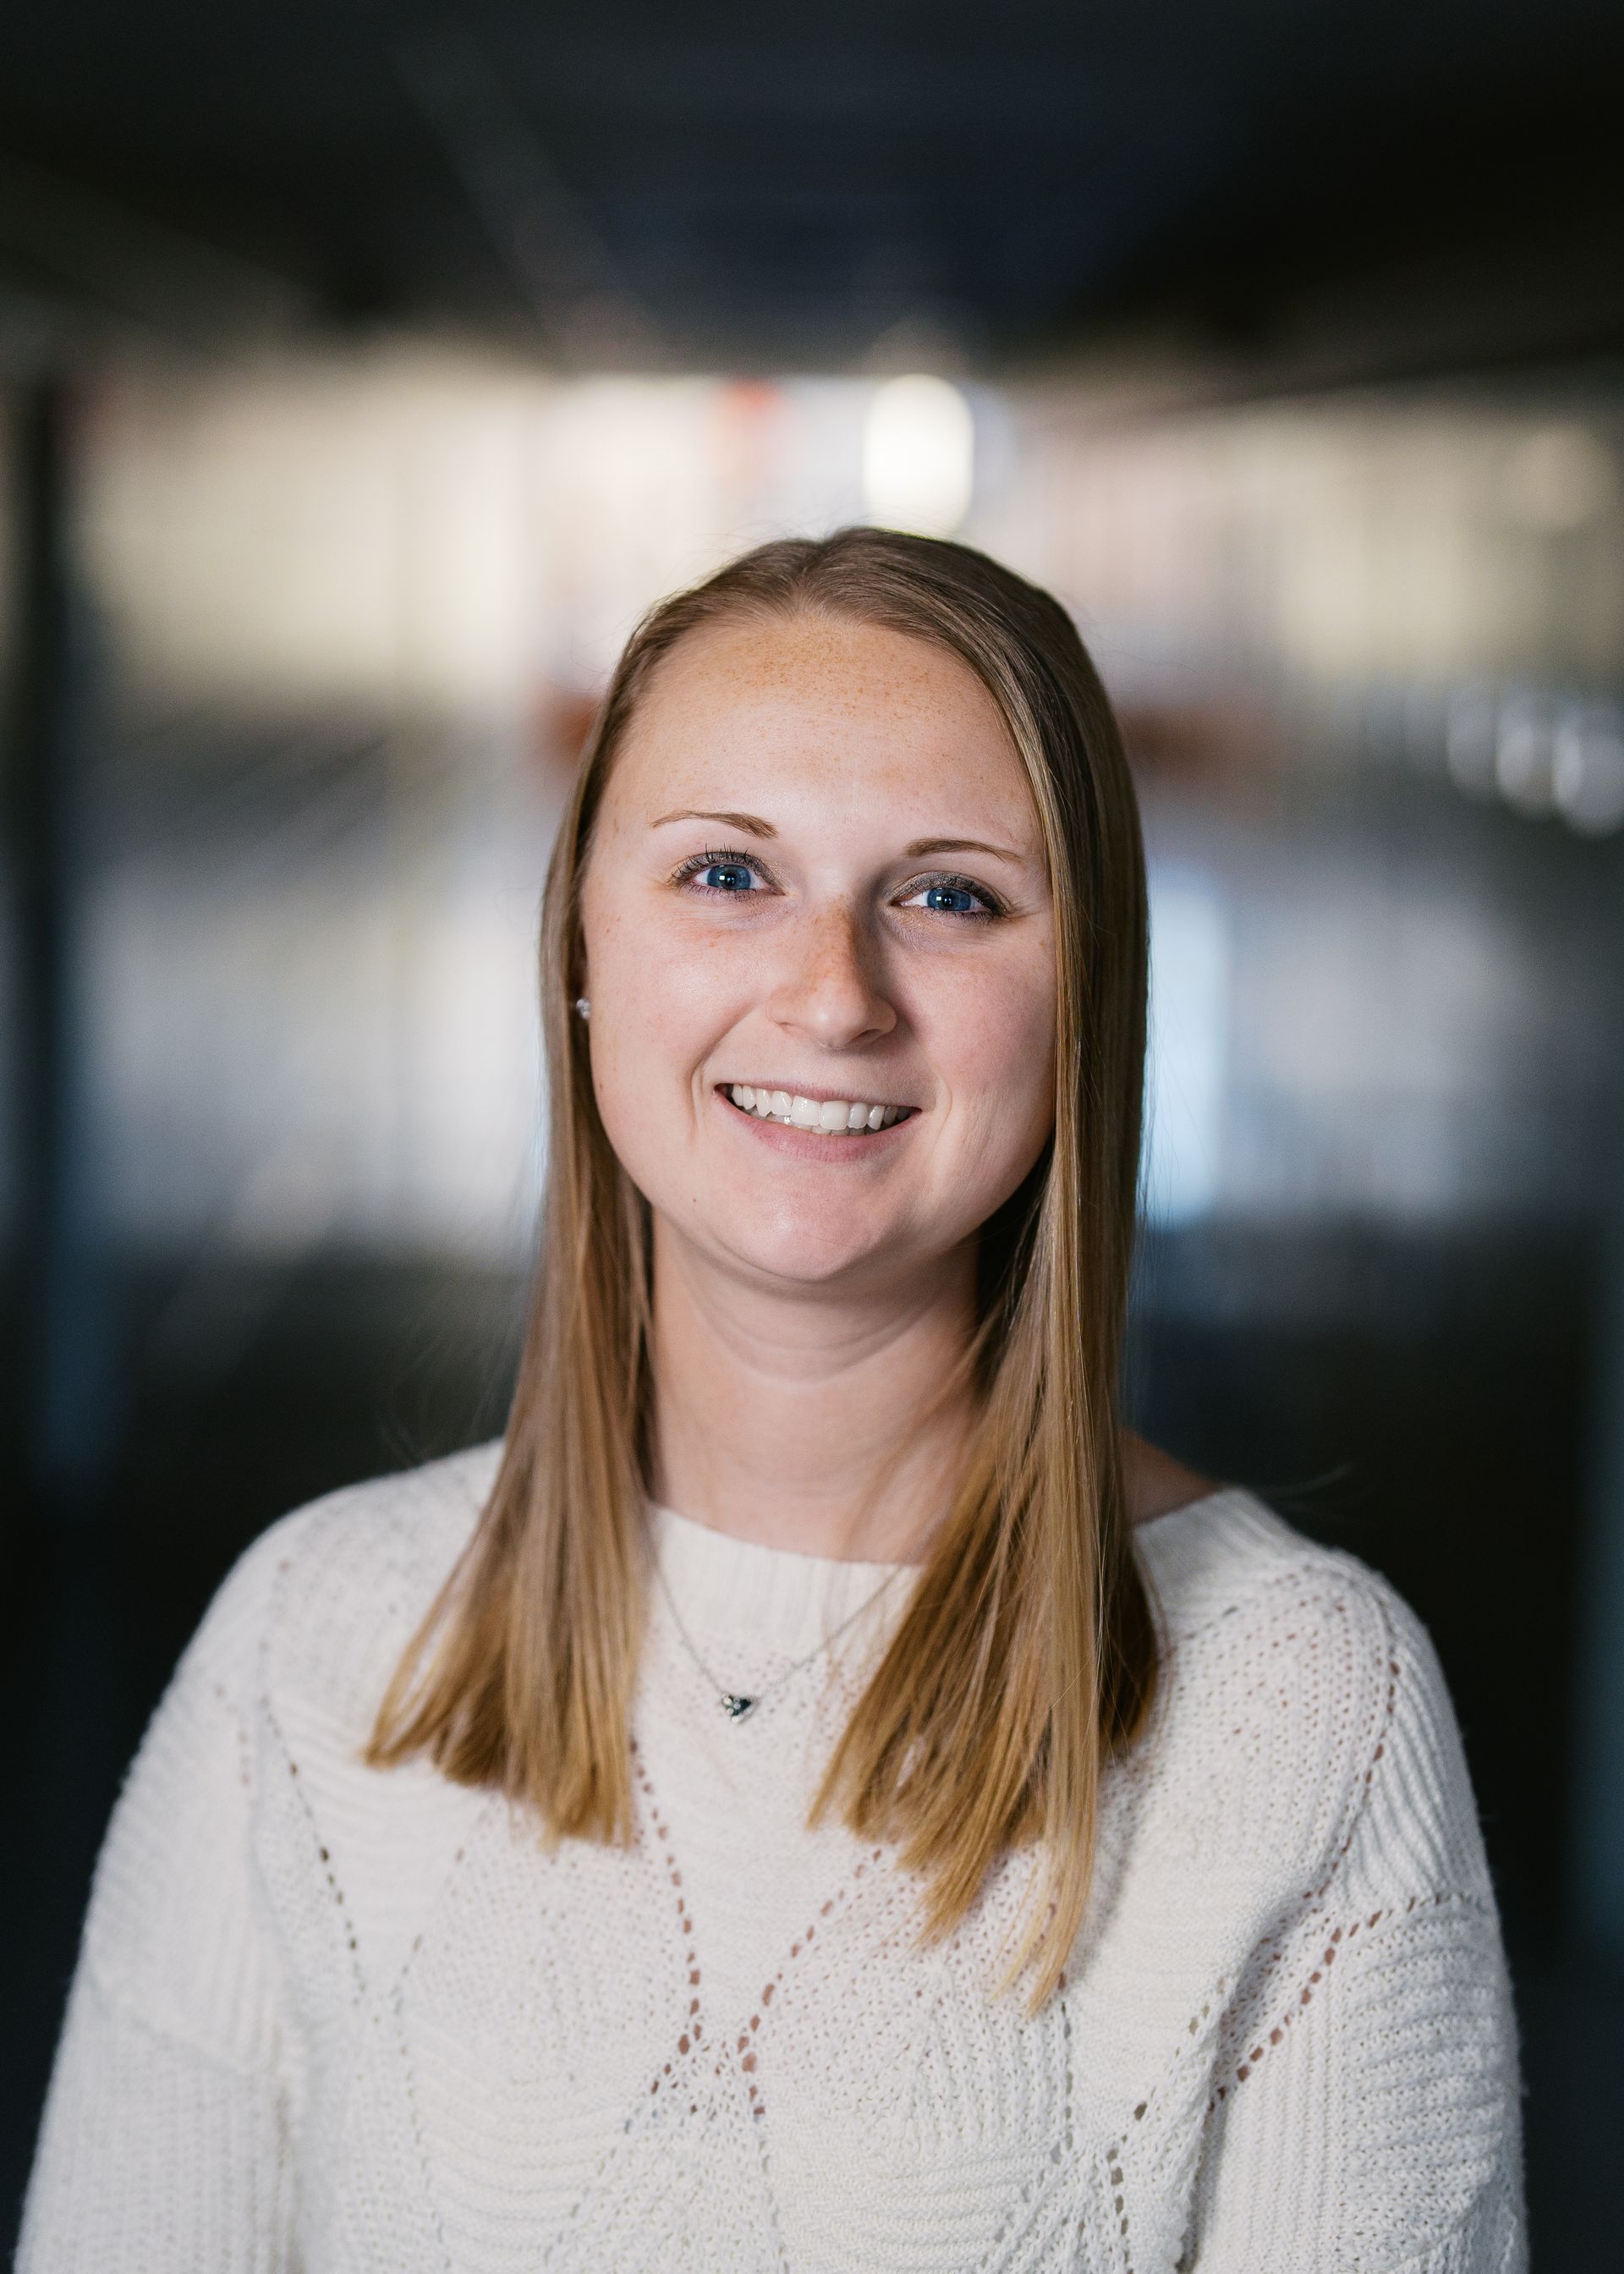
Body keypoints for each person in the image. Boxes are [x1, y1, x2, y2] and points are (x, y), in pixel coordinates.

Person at [20, 529, 1527, 2271]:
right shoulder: (316, 1640)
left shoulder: (1307, 1710)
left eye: (950, 894)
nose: (833, 995)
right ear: (582, 938)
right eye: (729, 874)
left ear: (1084, 993)